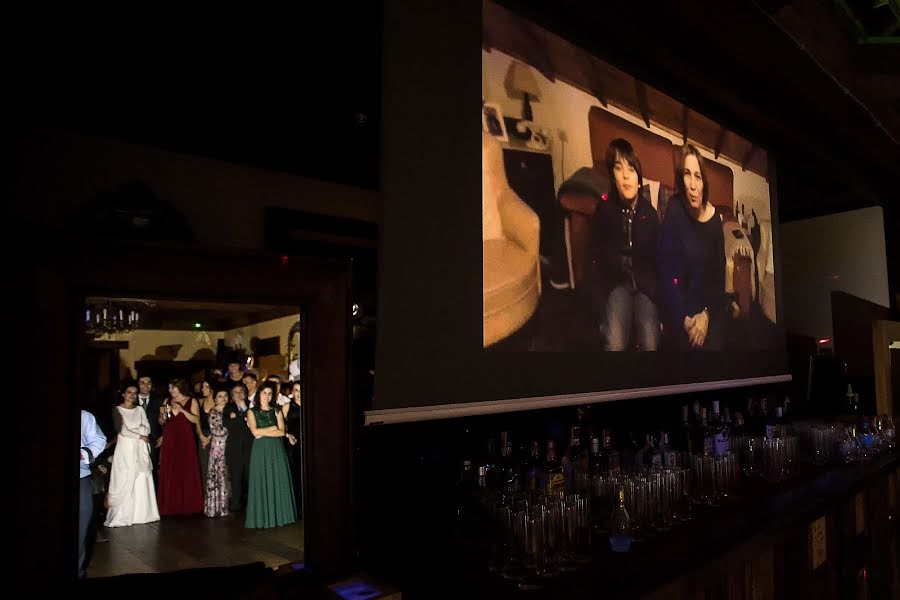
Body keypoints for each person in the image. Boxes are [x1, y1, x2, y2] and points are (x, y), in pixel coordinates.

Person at [658, 143, 736, 350]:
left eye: (698, 176)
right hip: (680, 305)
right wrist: (683, 317)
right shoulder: (674, 208)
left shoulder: (715, 222)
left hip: (708, 306)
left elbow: (718, 279)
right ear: (680, 179)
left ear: (704, 182)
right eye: (686, 174)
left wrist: (706, 315)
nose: (692, 185)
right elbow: (666, 271)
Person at [589, 138, 660, 350]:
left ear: (639, 176)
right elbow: (595, 260)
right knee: (614, 344)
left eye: (631, 168)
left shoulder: (650, 214)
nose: (626, 175)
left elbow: (660, 264)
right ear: (613, 175)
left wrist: (658, 302)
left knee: (651, 343)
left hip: (645, 289)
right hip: (617, 286)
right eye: (619, 168)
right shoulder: (605, 209)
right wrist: (602, 308)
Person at [104, 381, 160, 527]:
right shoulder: (117, 410)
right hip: (125, 449)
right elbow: (122, 430)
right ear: (123, 394)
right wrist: (140, 435)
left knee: (141, 477)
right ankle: (122, 515)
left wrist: (139, 431)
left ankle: (142, 514)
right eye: (129, 392)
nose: (132, 395)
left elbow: (147, 428)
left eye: (135, 393)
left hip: (140, 449)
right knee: (124, 477)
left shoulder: (140, 409)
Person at [246, 382, 296, 528]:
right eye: (264, 393)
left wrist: (268, 430)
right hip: (260, 450)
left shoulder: (277, 410)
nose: (266, 396)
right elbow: (255, 432)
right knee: (261, 479)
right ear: (258, 394)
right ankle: (263, 519)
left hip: (276, 448)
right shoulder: (251, 412)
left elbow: (281, 431)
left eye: (269, 393)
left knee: (278, 479)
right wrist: (273, 427)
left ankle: (280, 516)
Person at [156, 378, 204, 515]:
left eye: (173, 388)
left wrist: (182, 410)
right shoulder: (166, 401)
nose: (170, 390)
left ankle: (188, 504)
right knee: (170, 469)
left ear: (180, 387)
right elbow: (161, 422)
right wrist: (162, 414)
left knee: (186, 468)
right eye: (170, 388)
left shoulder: (191, 401)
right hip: (170, 438)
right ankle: (170, 505)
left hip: (185, 439)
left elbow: (196, 420)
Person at [79, 410, 107, 578]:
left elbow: (98, 439)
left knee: (81, 525)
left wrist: (83, 453)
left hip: (81, 476)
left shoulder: (85, 416)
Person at [224, 382, 253, 513]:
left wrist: (244, 411)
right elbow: (229, 424)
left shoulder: (252, 407)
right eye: (235, 392)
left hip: (250, 447)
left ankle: (252, 504)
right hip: (234, 448)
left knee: (249, 476)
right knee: (236, 477)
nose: (238, 394)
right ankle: (235, 506)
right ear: (231, 395)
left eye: (241, 391)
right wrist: (242, 417)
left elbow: (252, 424)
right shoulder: (228, 408)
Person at [204, 385, 231, 517]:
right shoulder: (213, 412)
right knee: (217, 475)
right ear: (215, 399)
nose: (223, 398)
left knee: (225, 476)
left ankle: (224, 506)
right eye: (220, 396)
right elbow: (216, 430)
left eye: (225, 395)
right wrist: (231, 429)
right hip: (218, 447)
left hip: (228, 447)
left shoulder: (230, 410)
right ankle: (214, 507)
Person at [282, 380, 303, 518]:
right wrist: (288, 435)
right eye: (296, 390)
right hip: (293, 445)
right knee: (295, 476)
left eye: (301, 389)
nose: (299, 393)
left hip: (308, 445)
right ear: (292, 392)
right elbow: (282, 427)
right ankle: (297, 509)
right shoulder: (286, 406)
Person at [137, 375, 163, 482]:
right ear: (138, 385)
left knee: (152, 470)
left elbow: (165, 421)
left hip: (154, 440)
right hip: (135, 440)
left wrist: (163, 435)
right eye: (143, 383)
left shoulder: (158, 400)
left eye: (148, 383)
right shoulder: (131, 400)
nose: (146, 386)